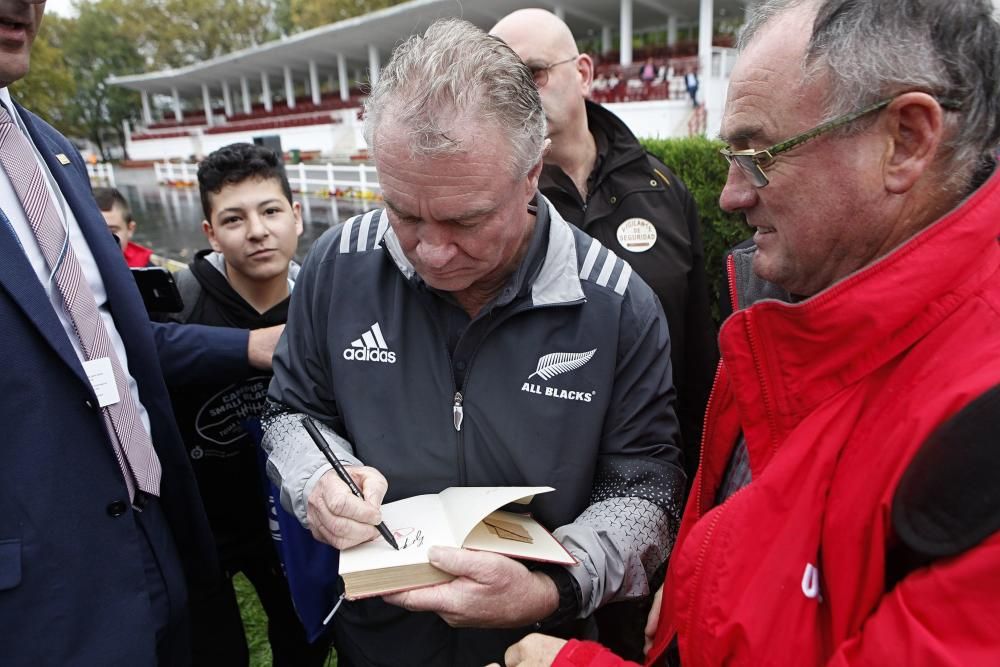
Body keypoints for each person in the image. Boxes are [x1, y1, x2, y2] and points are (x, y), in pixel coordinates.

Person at [499, 0, 1000, 665]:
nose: (731, 193)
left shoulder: (978, 421)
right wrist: (690, 588)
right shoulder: (792, 305)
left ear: (904, 140)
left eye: (758, 154)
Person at [261, 18, 686, 667]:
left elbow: (648, 491)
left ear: (530, 176)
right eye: (403, 212)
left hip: (539, 648)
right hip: (379, 640)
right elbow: (291, 412)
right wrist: (319, 477)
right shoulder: (335, 266)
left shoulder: (617, 304)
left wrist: (552, 584)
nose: (432, 250)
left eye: (466, 220)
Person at [0, 1, 260, 664]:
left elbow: (112, 342)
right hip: (40, 603)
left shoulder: (53, 152)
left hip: (158, 539)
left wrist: (258, 344)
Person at [491, 8, 716, 504]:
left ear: (584, 73)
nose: (518, 95)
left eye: (532, 73)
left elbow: (699, 351)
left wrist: (704, 482)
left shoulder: (661, 189)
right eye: (500, 82)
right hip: (540, 499)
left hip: (659, 482)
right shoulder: (490, 209)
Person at [158, 143, 328, 666]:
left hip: (290, 518)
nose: (257, 231)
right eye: (234, 218)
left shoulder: (323, 298)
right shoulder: (181, 302)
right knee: (212, 646)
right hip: (206, 518)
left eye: (271, 210)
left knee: (302, 638)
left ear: (297, 218)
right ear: (210, 233)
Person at [94, 186, 155, 267]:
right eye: (92, 232)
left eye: (112, 232)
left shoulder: (147, 270)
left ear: (130, 229)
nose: (102, 240)